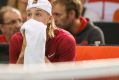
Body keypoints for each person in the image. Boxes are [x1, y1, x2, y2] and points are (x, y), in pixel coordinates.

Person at [9, 0, 76, 64]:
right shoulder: (17, 39)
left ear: (49, 19)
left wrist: (36, 49)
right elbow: (13, 74)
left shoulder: (65, 40)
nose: (32, 19)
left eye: (38, 14)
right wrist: (24, 53)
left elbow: (65, 75)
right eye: (29, 14)